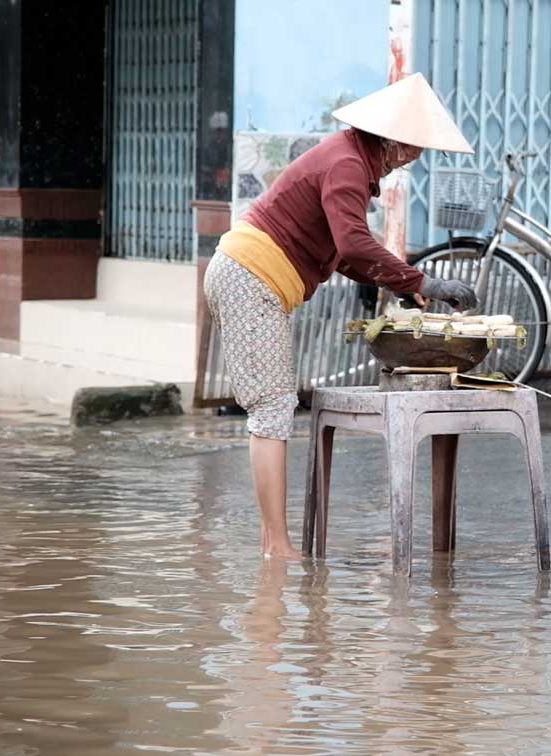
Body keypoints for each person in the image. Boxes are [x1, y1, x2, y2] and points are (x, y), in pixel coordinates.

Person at [203, 73, 479, 559]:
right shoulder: (348, 163)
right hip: (249, 276)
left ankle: (276, 544)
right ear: (392, 140)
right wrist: (424, 282)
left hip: (248, 275)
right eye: (413, 148)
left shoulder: (347, 159)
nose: (414, 158)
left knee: (274, 406)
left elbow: (346, 257)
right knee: (272, 407)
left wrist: (405, 282)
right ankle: (277, 547)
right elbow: (354, 243)